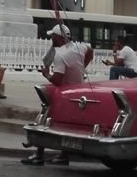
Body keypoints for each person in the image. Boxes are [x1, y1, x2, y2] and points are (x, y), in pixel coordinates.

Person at [22, 24, 93, 166]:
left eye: (52, 36)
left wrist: (46, 74)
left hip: (65, 93)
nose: (51, 38)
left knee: (45, 116)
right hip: (78, 90)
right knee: (68, 125)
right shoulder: (79, 47)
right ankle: (63, 155)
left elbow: (57, 80)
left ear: (59, 38)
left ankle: (39, 154)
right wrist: (82, 68)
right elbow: (90, 50)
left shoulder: (60, 55)